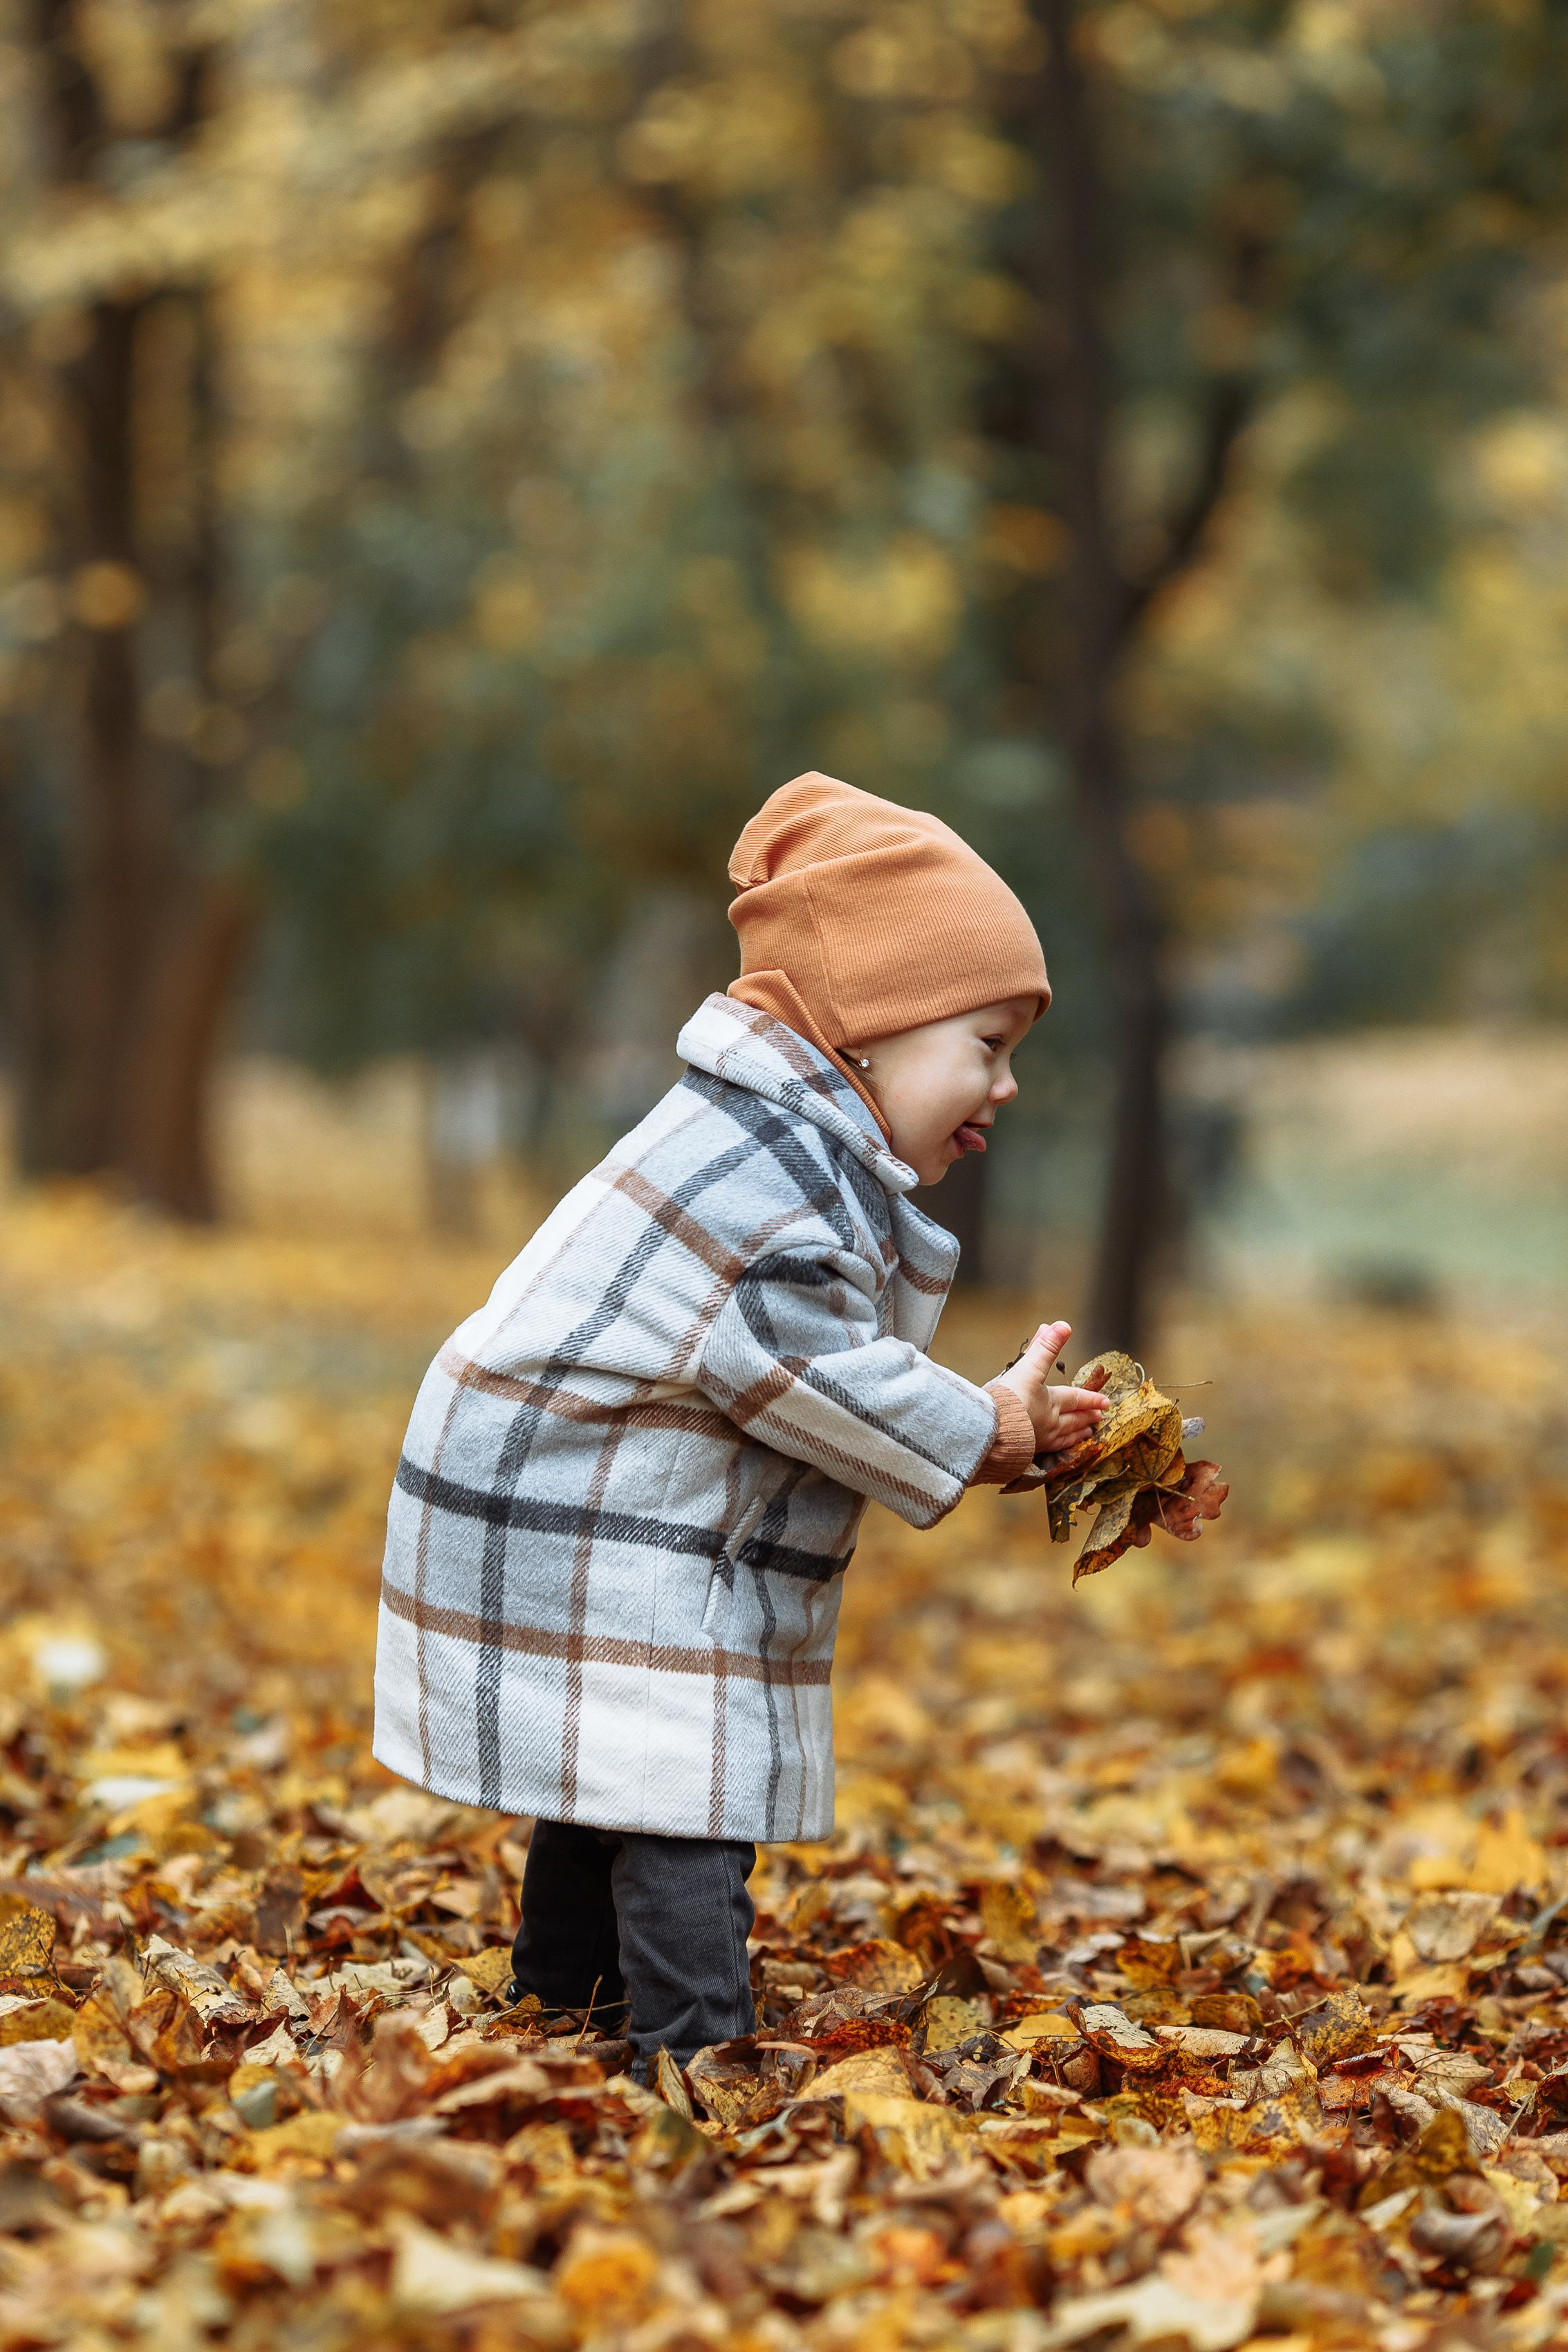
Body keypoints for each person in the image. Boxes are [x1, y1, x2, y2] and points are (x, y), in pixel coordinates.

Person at [372, 772, 1109, 2070]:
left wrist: (996, 1433)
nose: (1004, 1088)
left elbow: (800, 1373)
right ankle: (697, 2052)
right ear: (873, 1027)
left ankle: (560, 1999)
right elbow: (806, 1366)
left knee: (605, 1749)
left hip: (562, 1485)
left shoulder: (777, 1136)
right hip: (571, 1500)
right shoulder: (766, 1181)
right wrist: (983, 1426)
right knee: (680, 1774)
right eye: (986, 1047)